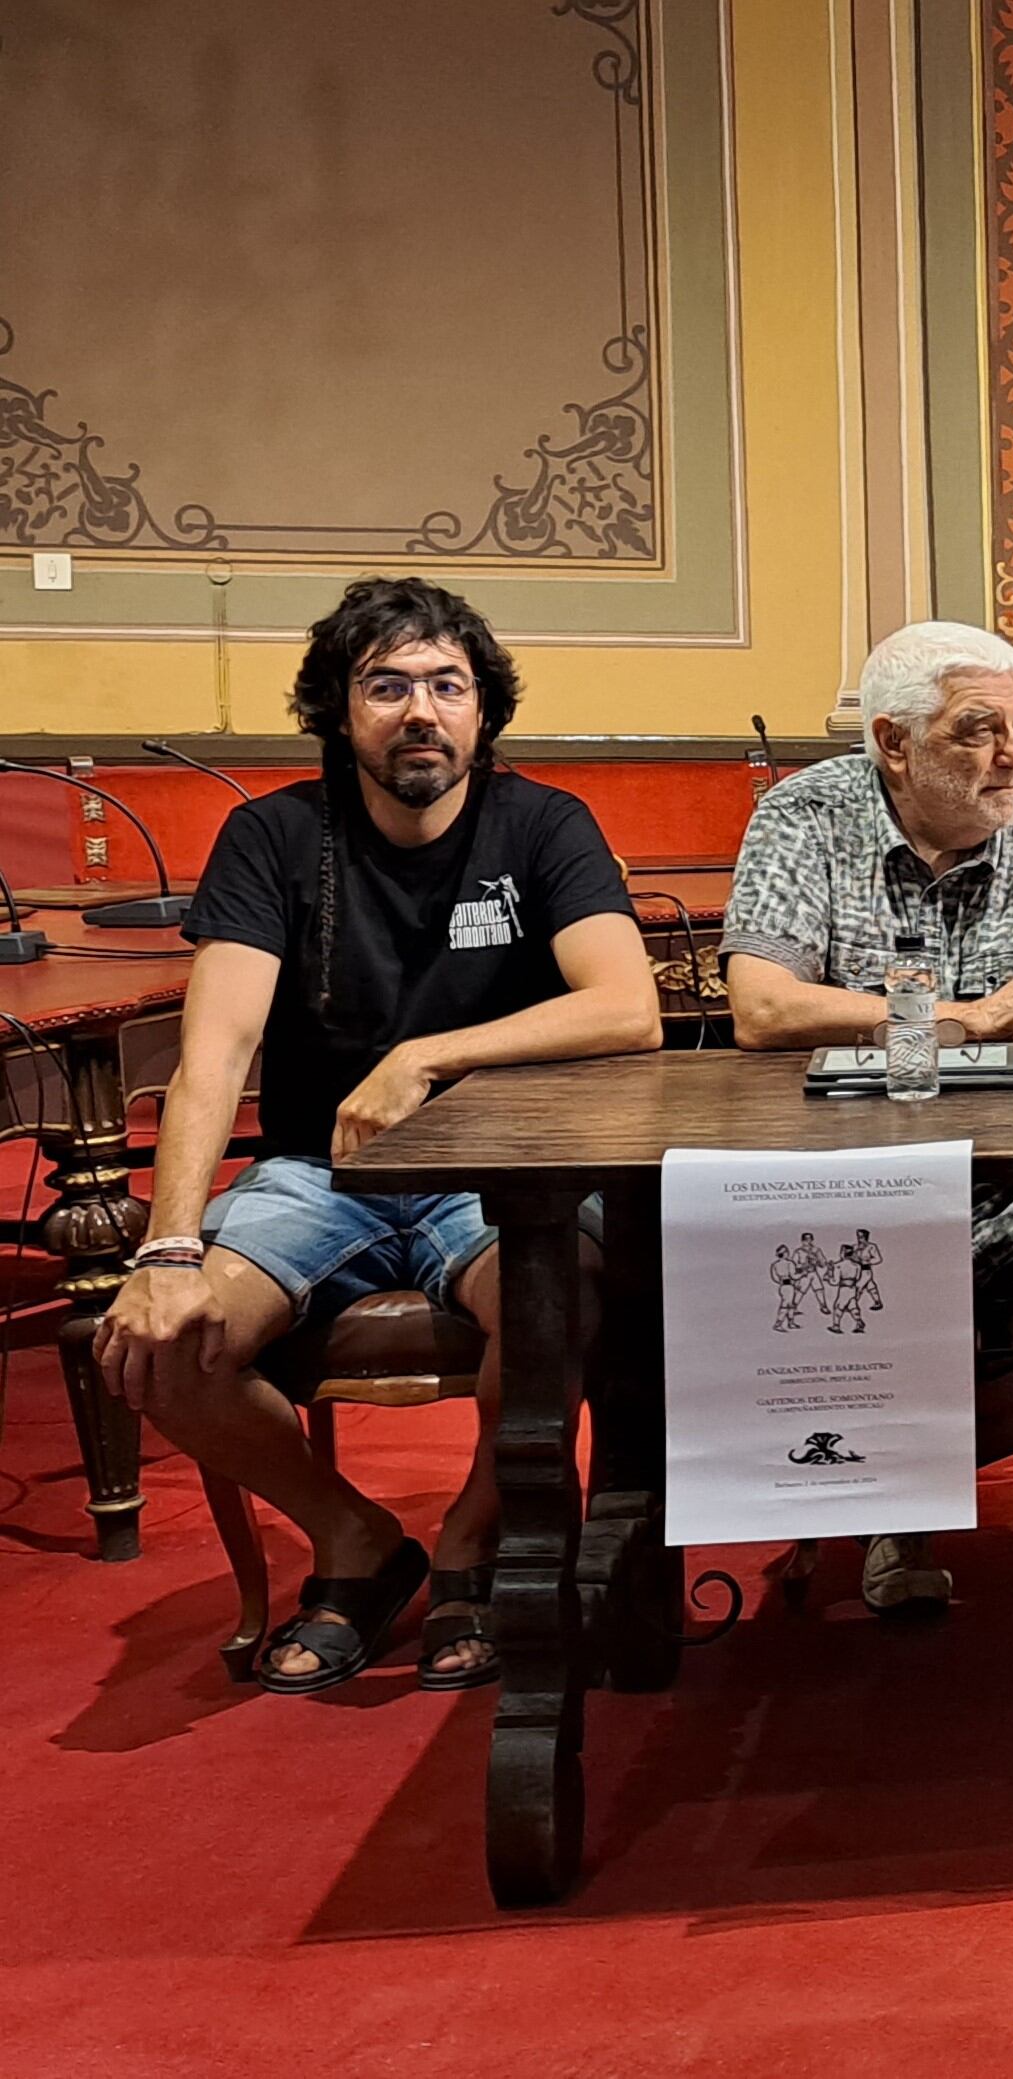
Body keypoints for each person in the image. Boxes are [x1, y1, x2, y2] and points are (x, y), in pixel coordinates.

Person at [91, 576, 661, 1693]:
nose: (420, 711)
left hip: (495, 1174)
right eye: (386, 684)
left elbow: (625, 1007)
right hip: (323, 1172)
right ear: (338, 711)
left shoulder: (543, 823)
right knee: (154, 1349)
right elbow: (213, 1053)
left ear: (482, 711)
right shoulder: (271, 835)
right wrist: (163, 1250)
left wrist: (427, 1055)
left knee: (571, 1300)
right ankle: (355, 1542)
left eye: (447, 685)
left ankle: (471, 1540)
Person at [721, 621, 1013, 1618]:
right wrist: (967, 1017)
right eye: (979, 731)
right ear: (893, 742)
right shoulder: (805, 816)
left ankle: (902, 1482)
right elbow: (763, 1008)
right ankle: (904, 1509)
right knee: (857, 1317)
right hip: (847, 1167)